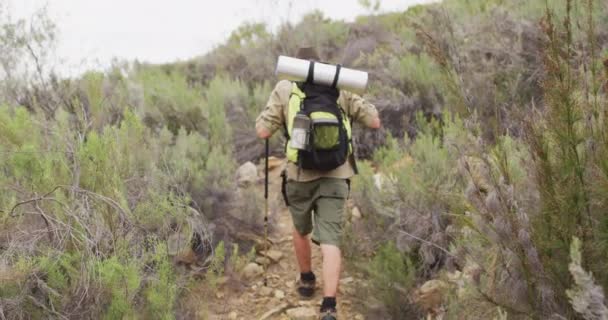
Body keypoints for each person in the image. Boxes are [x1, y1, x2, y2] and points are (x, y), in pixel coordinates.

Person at [255, 47, 380, 320]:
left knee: (300, 230)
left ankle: (307, 279)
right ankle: (329, 305)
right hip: (337, 173)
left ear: (296, 66)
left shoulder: (285, 88)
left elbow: (263, 130)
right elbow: (374, 121)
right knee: (331, 239)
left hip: (299, 175)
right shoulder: (341, 88)